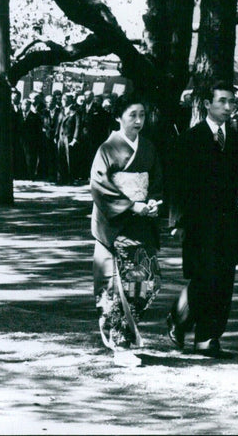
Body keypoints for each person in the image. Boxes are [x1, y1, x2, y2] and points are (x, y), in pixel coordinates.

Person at [166, 81, 238, 358]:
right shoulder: (190, 139)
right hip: (197, 222)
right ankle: (179, 319)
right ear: (207, 104)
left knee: (224, 279)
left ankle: (208, 338)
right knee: (204, 277)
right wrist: (177, 221)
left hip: (228, 222)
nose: (228, 107)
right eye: (222, 101)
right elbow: (177, 184)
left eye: (232, 102)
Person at [90, 94, 164, 353]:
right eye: (132, 115)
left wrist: (154, 201)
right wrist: (131, 205)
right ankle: (119, 338)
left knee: (148, 280)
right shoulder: (107, 149)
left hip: (141, 223)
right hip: (116, 224)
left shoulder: (149, 147)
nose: (138, 120)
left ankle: (125, 330)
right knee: (115, 282)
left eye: (142, 115)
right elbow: (100, 185)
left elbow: (155, 182)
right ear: (118, 117)